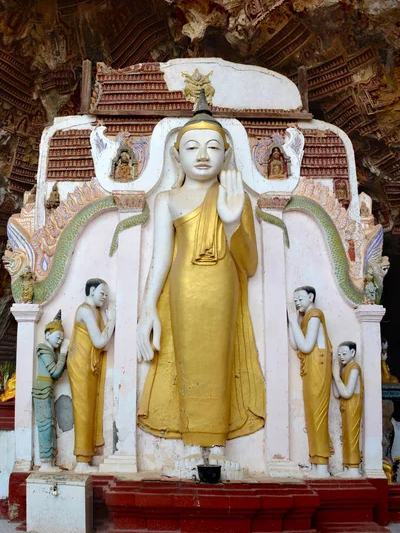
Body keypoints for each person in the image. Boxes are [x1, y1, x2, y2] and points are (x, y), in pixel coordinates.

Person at [137, 91, 265, 474]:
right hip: (183, 288)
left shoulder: (235, 197)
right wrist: (147, 310)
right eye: (192, 147)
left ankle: (219, 445)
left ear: (226, 155)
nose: (203, 155)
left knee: (219, 360)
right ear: (177, 155)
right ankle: (193, 445)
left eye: (213, 147)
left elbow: (251, 264)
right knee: (186, 360)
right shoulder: (168, 199)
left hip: (223, 287)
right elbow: (161, 259)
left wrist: (231, 222)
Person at [68, 278, 116, 472]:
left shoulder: (94, 312)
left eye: (106, 295)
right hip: (80, 363)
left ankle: (85, 457)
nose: (104, 298)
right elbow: (98, 342)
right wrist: (112, 321)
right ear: (92, 290)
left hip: (88, 364)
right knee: (83, 409)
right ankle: (81, 461)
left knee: (89, 407)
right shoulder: (86, 311)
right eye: (102, 293)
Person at [287, 286, 333, 477]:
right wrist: (294, 320)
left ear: (311, 297)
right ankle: (316, 461)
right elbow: (295, 343)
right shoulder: (305, 318)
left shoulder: (314, 315)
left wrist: (292, 319)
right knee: (311, 414)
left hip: (318, 369)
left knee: (318, 416)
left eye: (300, 298)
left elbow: (305, 346)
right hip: (310, 370)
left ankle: (322, 464)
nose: (297, 302)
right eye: (295, 299)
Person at [32, 310, 69, 471]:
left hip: (47, 390)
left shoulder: (51, 351)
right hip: (42, 390)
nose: (60, 341)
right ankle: (45, 463)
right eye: (57, 337)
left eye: (61, 339)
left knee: (50, 425)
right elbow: (54, 372)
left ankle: (50, 462)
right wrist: (63, 354)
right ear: (47, 334)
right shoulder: (43, 349)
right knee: (45, 425)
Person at [332, 341, 363, 477]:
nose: (341, 357)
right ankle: (347, 467)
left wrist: (336, 376)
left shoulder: (354, 368)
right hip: (345, 405)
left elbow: (347, 393)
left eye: (344, 353)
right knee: (346, 435)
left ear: (353, 353)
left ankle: (354, 469)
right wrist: (335, 375)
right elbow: (337, 394)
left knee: (352, 435)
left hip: (353, 404)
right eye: (339, 354)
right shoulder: (344, 369)